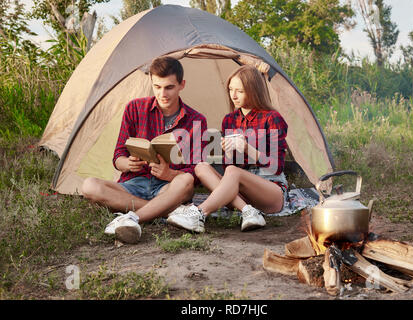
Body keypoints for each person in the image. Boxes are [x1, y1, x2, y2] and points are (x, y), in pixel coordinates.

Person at [81, 56, 207, 244]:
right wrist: (127, 163)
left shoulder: (197, 120)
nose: (162, 93)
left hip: (168, 188)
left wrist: (169, 173)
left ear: (182, 85)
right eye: (157, 86)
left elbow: (196, 172)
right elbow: (118, 156)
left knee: (186, 181)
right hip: (133, 184)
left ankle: (132, 217)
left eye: (169, 87)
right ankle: (159, 211)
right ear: (151, 83)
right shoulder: (134, 108)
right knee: (89, 186)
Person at [167, 65, 288, 233]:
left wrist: (246, 148)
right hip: (241, 192)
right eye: (231, 89)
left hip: (270, 189)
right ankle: (248, 211)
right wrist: (227, 152)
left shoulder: (272, 118)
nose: (234, 95)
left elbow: (277, 166)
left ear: (254, 90)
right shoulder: (230, 120)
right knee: (201, 167)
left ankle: (199, 213)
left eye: (240, 91)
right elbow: (228, 169)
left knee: (233, 171)